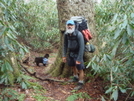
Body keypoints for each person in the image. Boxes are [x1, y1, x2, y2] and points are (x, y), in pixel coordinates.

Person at [62, 20, 85, 90]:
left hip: (78, 53)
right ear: (66, 26)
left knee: (80, 68)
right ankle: (75, 77)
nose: (69, 26)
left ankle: (81, 82)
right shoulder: (66, 34)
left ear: (74, 26)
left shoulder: (79, 34)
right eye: (68, 25)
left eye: (71, 25)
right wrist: (64, 55)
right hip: (71, 53)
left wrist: (79, 58)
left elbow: (82, 47)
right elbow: (65, 45)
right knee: (72, 66)